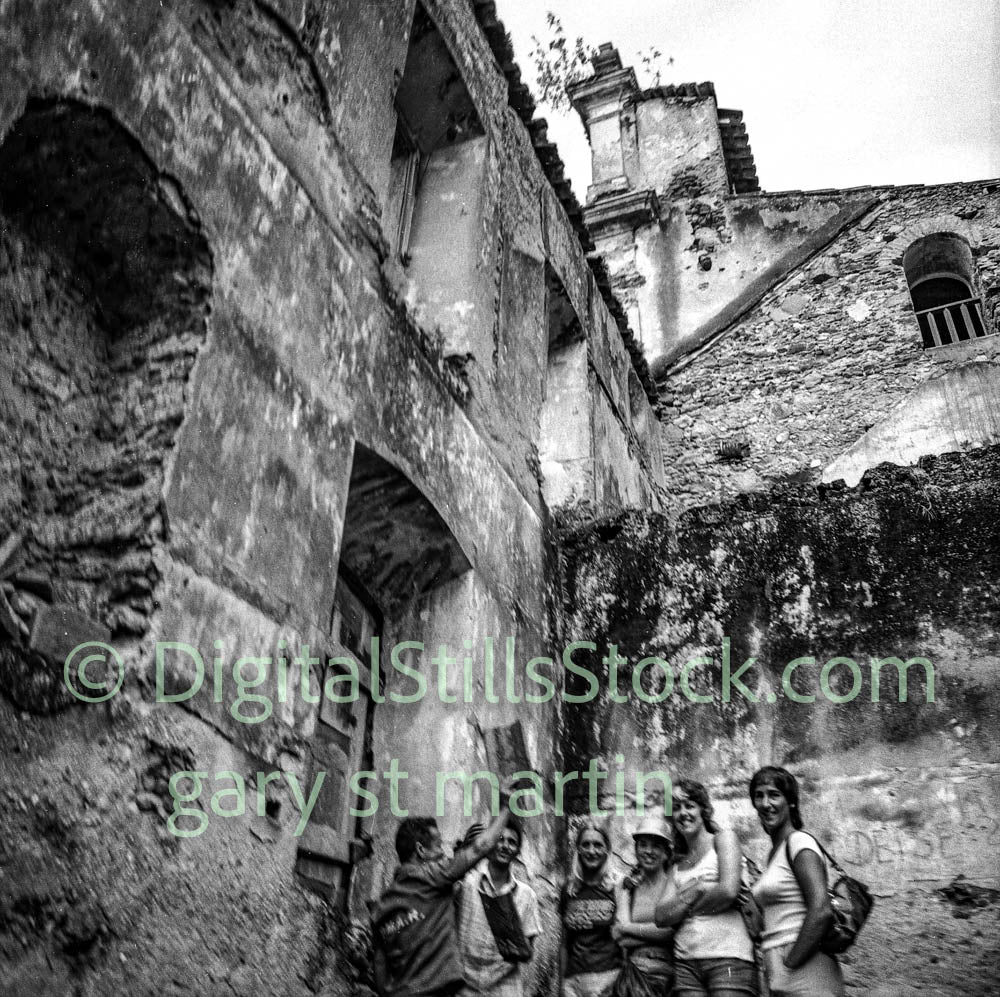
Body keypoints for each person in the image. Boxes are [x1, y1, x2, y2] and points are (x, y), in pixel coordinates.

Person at [373, 805, 513, 997]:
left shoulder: (381, 906)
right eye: (439, 845)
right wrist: (506, 805)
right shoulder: (430, 876)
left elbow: (380, 969)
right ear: (421, 850)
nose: (443, 853)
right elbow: (482, 846)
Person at [654, 779, 758, 997]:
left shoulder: (723, 840)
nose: (683, 813)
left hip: (729, 959)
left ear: (703, 810)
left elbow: (729, 890)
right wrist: (699, 889)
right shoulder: (676, 864)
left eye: (689, 805)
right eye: (676, 808)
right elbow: (661, 916)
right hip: (686, 964)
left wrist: (683, 905)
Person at [748, 766, 844, 997]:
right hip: (781, 970)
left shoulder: (799, 842)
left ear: (790, 801)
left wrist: (788, 964)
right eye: (758, 796)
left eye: (774, 794)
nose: (765, 803)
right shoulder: (774, 854)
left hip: (804, 968)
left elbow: (821, 910)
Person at [456, 815, 541, 997]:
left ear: (517, 850)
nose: (505, 846)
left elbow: (528, 950)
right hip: (465, 986)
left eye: (512, 842)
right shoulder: (468, 883)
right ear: (490, 843)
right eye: (500, 839)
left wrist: (514, 940)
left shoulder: (526, 895)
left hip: (505, 987)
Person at [611, 815, 675, 995]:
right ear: (636, 848)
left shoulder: (673, 884)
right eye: (643, 844)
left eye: (656, 845)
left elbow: (672, 933)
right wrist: (658, 932)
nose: (648, 851)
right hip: (635, 979)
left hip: (669, 977)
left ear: (666, 853)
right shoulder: (628, 888)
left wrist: (629, 928)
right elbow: (619, 936)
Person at [560, 821, 621, 997]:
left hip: (607, 978)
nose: (591, 851)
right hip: (573, 982)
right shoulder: (569, 889)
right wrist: (561, 983)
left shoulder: (616, 887)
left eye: (597, 845)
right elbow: (565, 943)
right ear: (578, 849)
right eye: (585, 844)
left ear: (607, 850)